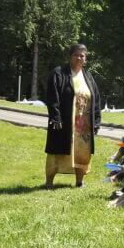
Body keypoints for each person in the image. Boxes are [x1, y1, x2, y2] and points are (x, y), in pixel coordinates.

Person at [44, 43, 101, 189]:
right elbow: (52, 97)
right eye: (76, 54)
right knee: (57, 150)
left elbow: (95, 99)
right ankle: (49, 182)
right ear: (70, 56)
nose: (79, 58)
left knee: (81, 153)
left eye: (82, 55)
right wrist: (55, 117)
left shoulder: (88, 76)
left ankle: (79, 181)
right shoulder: (59, 73)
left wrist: (96, 122)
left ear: (86, 59)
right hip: (64, 122)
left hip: (83, 125)